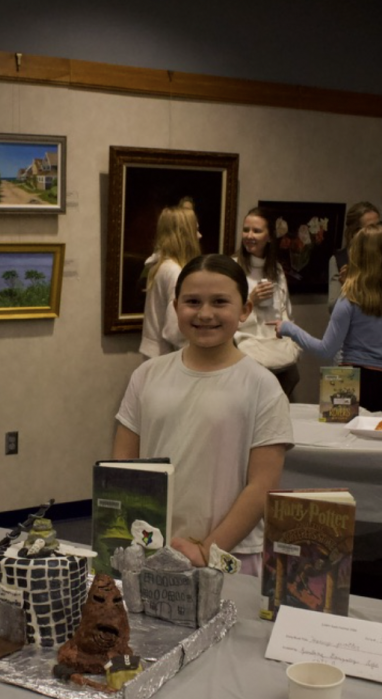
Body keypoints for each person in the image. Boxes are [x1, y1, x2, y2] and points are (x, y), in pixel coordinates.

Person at [113, 254, 294, 575]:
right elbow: (123, 470)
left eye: (220, 302)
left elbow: (262, 485)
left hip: (229, 554)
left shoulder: (262, 386)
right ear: (175, 306)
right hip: (151, 549)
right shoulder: (146, 376)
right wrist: (140, 539)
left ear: (244, 310)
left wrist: (207, 549)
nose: (205, 313)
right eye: (193, 301)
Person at [276, 223, 382, 414]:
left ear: (358, 255)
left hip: (347, 378)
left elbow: (326, 350)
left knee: (339, 440)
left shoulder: (350, 297)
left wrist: (288, 328)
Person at [233, 207, 300, 399]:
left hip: (277, 351)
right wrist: (251, 301)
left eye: (257, 231)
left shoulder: (276, 269)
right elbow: (225, 317)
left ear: (269, 237)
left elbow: (285, 311)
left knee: (291, 380)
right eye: (246, 230)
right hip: (247, 352)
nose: (249, 235)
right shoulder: (233, 268)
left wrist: (289, 335)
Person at [138, 205, 202, 358]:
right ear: (184, 234)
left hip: (155, 355)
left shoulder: (160, 265)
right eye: (195, 230)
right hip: (167, 357)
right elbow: (175, 330)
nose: (199, 236)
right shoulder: (175, 272)